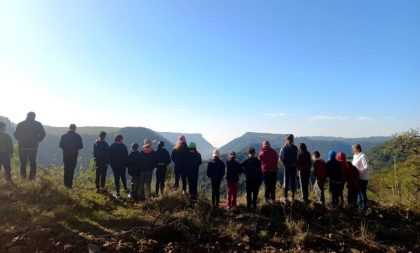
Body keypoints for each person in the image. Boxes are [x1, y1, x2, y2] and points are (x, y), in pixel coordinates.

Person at [13, 112, 46, 179]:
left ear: (27, 116)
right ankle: (32, 177)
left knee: (23, 162)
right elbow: (43, 134)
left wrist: (19, 140)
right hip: (33, 147)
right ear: (34, 116)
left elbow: (15, 134)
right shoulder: (38, 124)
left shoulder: (21, 124)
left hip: (22, 147)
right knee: (33, 162)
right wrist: (38, 140)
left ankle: (23, 177)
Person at [59, 124, 83, 189]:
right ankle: (69, 185)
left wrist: (66, 148)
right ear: (75, 129)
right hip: (74, 155)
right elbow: (81, 146)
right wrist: (75, 148)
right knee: (71, 170)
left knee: (66, 169)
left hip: (66, 155)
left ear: (69, 128)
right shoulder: (77, 136)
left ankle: (65, 184)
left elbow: (60, 145)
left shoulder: (64, 136)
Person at [109, 134, 129, 199]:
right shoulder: (124, 146)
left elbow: (109, 157)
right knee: (123, 176)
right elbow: (126, 157)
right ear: (121, 139)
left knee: (116, 178)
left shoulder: (112, 146)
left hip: (114, 165)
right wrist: (126, 165)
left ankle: (117, 193)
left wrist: (111, 164)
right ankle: (125, 188)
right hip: (122, 165)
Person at [280, 134, 298, 201]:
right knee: (293, 181)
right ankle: (293, 196)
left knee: (286, 181)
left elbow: (281, 158)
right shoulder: (295, 148)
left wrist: (284, 164)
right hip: (294, 166)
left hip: (287, 166)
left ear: (286, 140)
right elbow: (297, 157)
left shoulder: (284, 148)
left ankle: (285, 197)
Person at [352, 144, 369, 210]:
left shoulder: (362, 156)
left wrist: (359, 173)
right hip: (357, 178)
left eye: (355, 149)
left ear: (359, 149)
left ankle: (364, 208)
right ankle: (360, 207)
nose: (354, 150)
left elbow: (366, 167)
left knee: (362, 193)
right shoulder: (355, 156)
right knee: (359, 192)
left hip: (363, 178)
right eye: (353, 149)